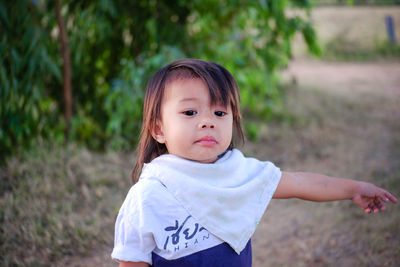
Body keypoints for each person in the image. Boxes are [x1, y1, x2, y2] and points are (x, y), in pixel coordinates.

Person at [111, 59, 397, 267]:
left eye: (220, 112)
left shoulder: (239, 172)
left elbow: (300, 183)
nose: (208, 121)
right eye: (190, 111)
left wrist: (353, 188)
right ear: (158, 129)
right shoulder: (148, 196)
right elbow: (132, 260)